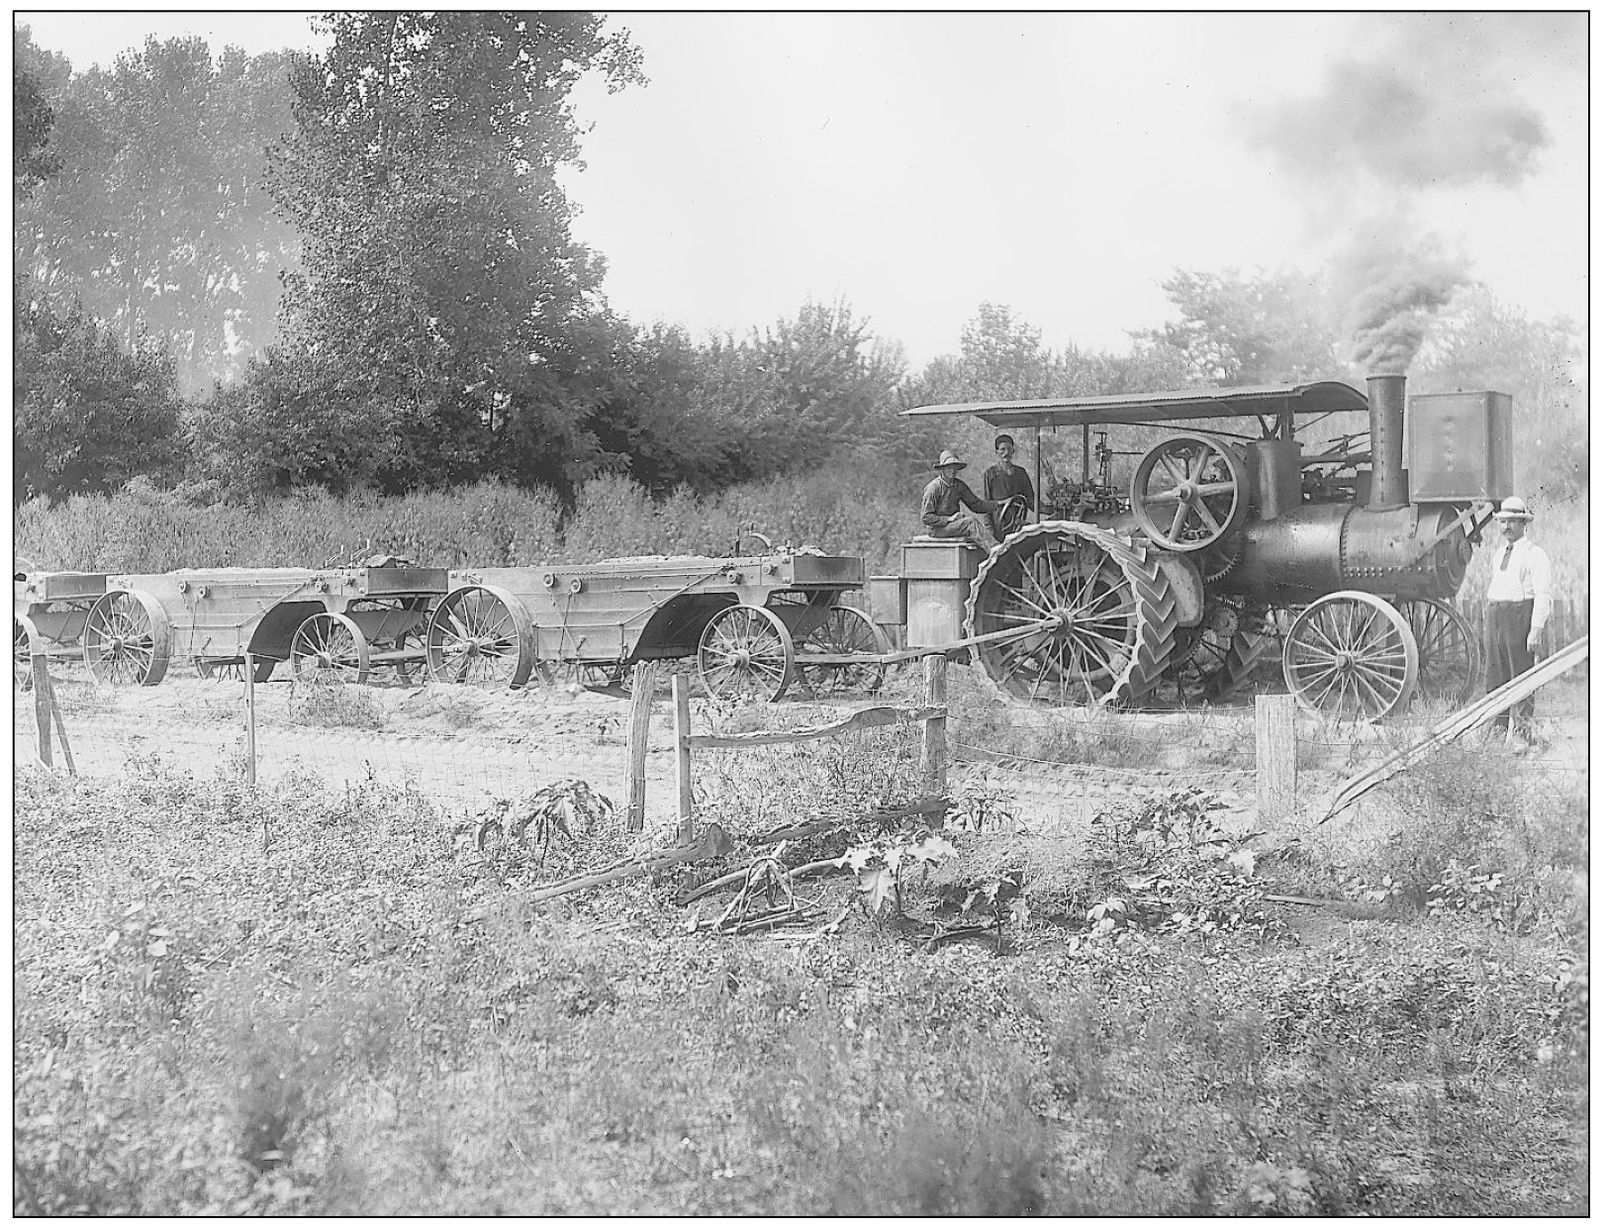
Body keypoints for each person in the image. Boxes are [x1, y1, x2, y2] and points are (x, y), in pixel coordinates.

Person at [1483, 496, 1551, 745]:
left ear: (1524, 524)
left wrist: (1536, 629)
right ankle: (1497, 732)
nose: (1506, 527)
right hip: (1496, 617)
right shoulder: (1498, 553)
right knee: (1495, 676)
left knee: (1521, 676)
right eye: (1502, 522)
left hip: (1519, 616)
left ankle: (1522, 735)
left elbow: (1543, 594)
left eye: (1512, 521)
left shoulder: (1535, 554)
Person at [920, 450, 1001, 549]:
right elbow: (925, 517)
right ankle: (996, 551)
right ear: (943, 468)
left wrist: (999, 504)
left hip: (952, 526)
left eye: (955, 468)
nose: (953, 471)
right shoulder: (933, 488)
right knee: (970, 523)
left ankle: (992, 554)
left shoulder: (959, 485)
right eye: (949, 467)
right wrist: (949, 519)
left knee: (972, 528)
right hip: (937, 530)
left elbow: (976, 505)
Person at [980, 433, 1035, 538]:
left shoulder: (1021, 473)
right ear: (996, 452)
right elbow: (986, 505)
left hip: (1018, 526)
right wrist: (990, 532)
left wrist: (1048, 509)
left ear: (1013, 451)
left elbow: (1031, 501)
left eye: (1009, 449)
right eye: (1002, 449)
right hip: (999, 528)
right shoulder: (990, 474)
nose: (1006, 453)